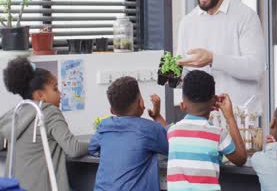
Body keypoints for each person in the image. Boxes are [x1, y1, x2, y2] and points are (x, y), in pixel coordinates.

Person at [176, 0, 265, 110]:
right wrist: (172, 75)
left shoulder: (246, 17)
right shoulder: (187, 22)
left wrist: (213, 59)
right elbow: (184, 74)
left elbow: (256, 68)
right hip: (202, 119)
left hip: (242, 119)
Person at [0, 57, 88, 191]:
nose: (60, 94)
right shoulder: (49, 112)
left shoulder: (14, 114)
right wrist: (98, 141)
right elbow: (74, 149)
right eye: (55, 89)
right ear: (40, 95)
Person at [167, 70, 247, 190]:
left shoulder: (172, 132)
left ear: (183, 102)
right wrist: (229, 117)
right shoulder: (218, 134)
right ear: (214, 100)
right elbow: (241, 159)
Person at [89, 76, 168, 191]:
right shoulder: (149, 129)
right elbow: (173, 143)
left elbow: (92, 148)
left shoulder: (104, 125)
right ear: (141, 103)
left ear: (112, 110)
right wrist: (157, 116)